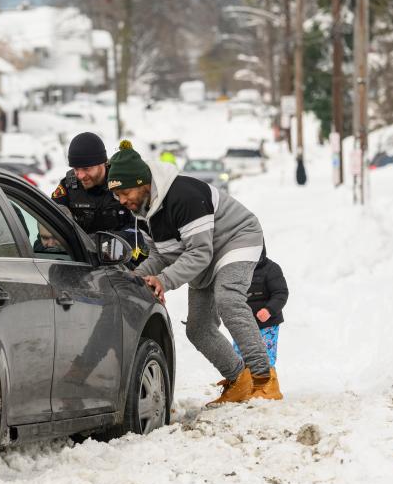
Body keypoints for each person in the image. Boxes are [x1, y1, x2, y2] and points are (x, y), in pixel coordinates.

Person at [107, 140, 280, 405]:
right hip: (204, 254)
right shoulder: (143, 212)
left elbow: (200, 253)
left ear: (142, 183)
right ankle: (239, 380)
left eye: (125, 193)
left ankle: (263, 379)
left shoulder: (183, 195)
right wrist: (136, 277)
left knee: (228, 300)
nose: (122, 201)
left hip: (236, 239)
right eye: (117, 196)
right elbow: (160, 256)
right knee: (198, 328)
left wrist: (164, 280)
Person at [52, 132, 147, 261]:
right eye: (76, 169)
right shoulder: (68, 187)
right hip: (83, 260)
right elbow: (49, 220)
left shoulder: (123, 182)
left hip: (124, 260)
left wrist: (105, 242)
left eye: (86, 169)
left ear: (102, 163)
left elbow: (141, 231)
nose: (80, 176)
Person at [232, 249, 287, 400]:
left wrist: (269, 309)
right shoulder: (236, 269)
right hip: (243, 323)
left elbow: (281, 293)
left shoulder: (271, 269)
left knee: (265, 353)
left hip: (267, 324)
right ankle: (243, 385)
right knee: (238, 353)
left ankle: (268, 384)